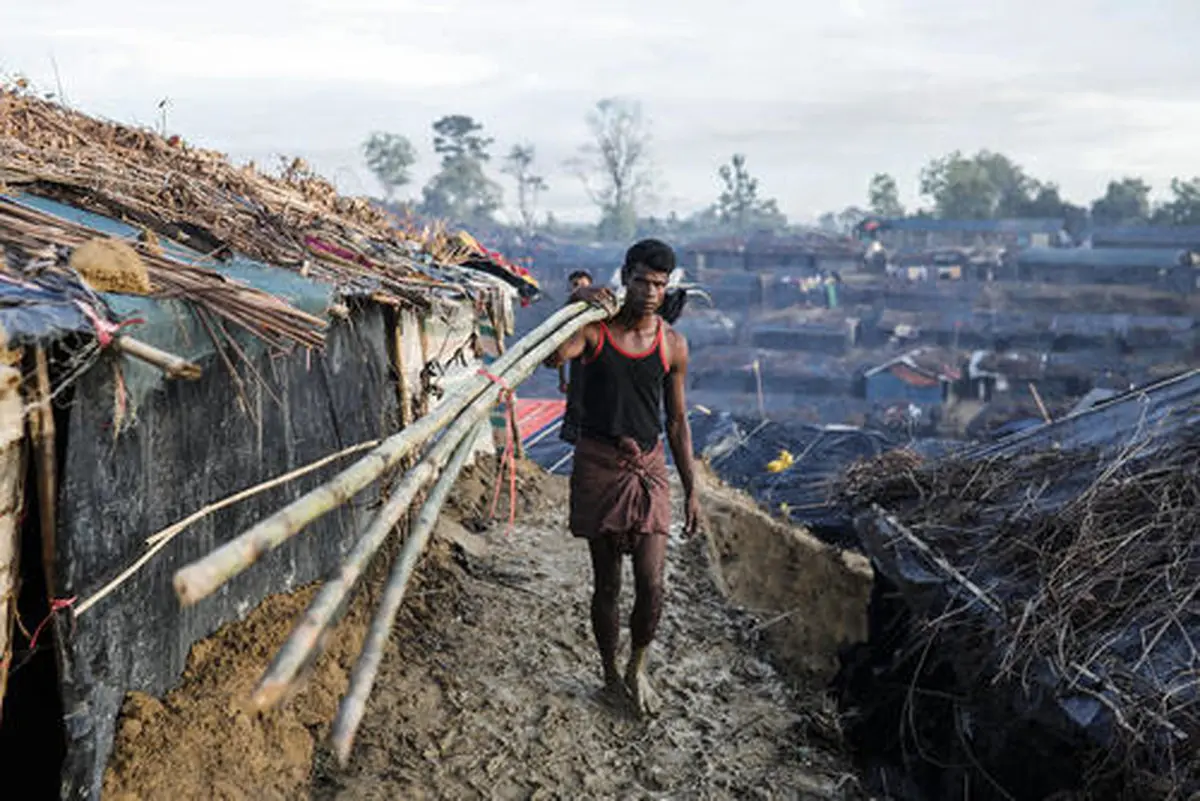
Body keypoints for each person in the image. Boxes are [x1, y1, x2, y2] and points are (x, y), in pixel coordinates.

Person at [544, 238, 700, 718]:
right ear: (626, 277)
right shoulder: (595, 332)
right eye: (642, 281)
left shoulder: (672, 345)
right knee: (608, 584)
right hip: (601, 465)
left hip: (649, 468)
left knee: (652, 584)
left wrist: (692, 491)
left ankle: (638, 667)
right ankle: (610, 674)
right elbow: (553, 357)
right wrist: (577, 300)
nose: (650, 292)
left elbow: (677, 422)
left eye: (660, 284)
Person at [558, 270, 593, 444]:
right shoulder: (567, 313)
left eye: (583, 286)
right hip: (577, 367)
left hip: (596, 368)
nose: (579, 289)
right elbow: (559, 347)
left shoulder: (597, 313)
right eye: (575, 285)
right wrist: (562, 379)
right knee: (576, 409)